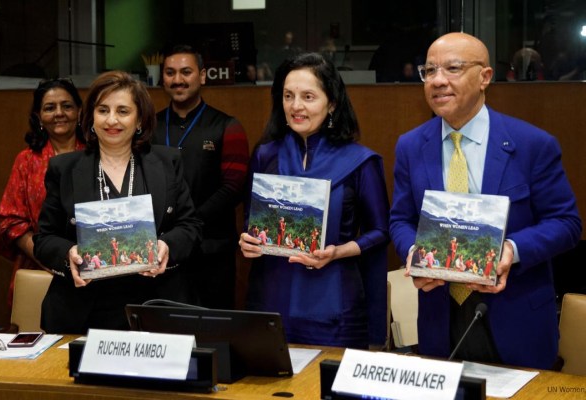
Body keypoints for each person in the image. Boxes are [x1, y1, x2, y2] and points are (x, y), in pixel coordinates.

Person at [389, 32, 581, 369]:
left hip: (516, 317)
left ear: (484, 77)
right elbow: (401, 220)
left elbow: (566, 223)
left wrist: (511, 250)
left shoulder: (532, 144)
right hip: (440, 316)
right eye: (429, 71)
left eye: (452, 68)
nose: (437, 81)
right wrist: (413, 252)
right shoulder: (410, 146)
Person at [239, 53, 390, 349]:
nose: (296, 106)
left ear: (331, 102)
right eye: (288, 96)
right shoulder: (265, 156)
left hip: (334, 304)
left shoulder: (361, 161)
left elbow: (381, 232)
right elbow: (250, 221)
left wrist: (337, 252)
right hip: (272, 298)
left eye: (308, 96)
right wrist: (247, 240)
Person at [33, 71, 202, 334]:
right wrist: (69, 255)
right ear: (91, 118)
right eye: (103, 110)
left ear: (139, 120)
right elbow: (44, 239)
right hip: (84, 309)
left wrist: (166, 245)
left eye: (123, 111)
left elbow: (190, 226)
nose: (112, 120)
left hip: (155, 304)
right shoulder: (64, 169)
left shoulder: (167, 163)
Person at [153, 44, 249, 309]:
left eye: (186, 72)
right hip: (162, 252)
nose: (178, 80)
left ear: (202, 76)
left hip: (212, 251)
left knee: (214, 333)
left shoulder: (227, 126)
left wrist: (189, 224)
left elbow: (233, 188)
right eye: (170, 73)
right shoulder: (149, 126)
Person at [0, 78, 86, 305]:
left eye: (67, 106)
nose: (59, 113)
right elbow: (11, 222)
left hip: (94, 267)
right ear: (38, 116)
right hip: (40, 269)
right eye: (50, 107)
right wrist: (51, 258)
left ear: (79, 111)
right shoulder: (26, 161)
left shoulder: (97, 156)